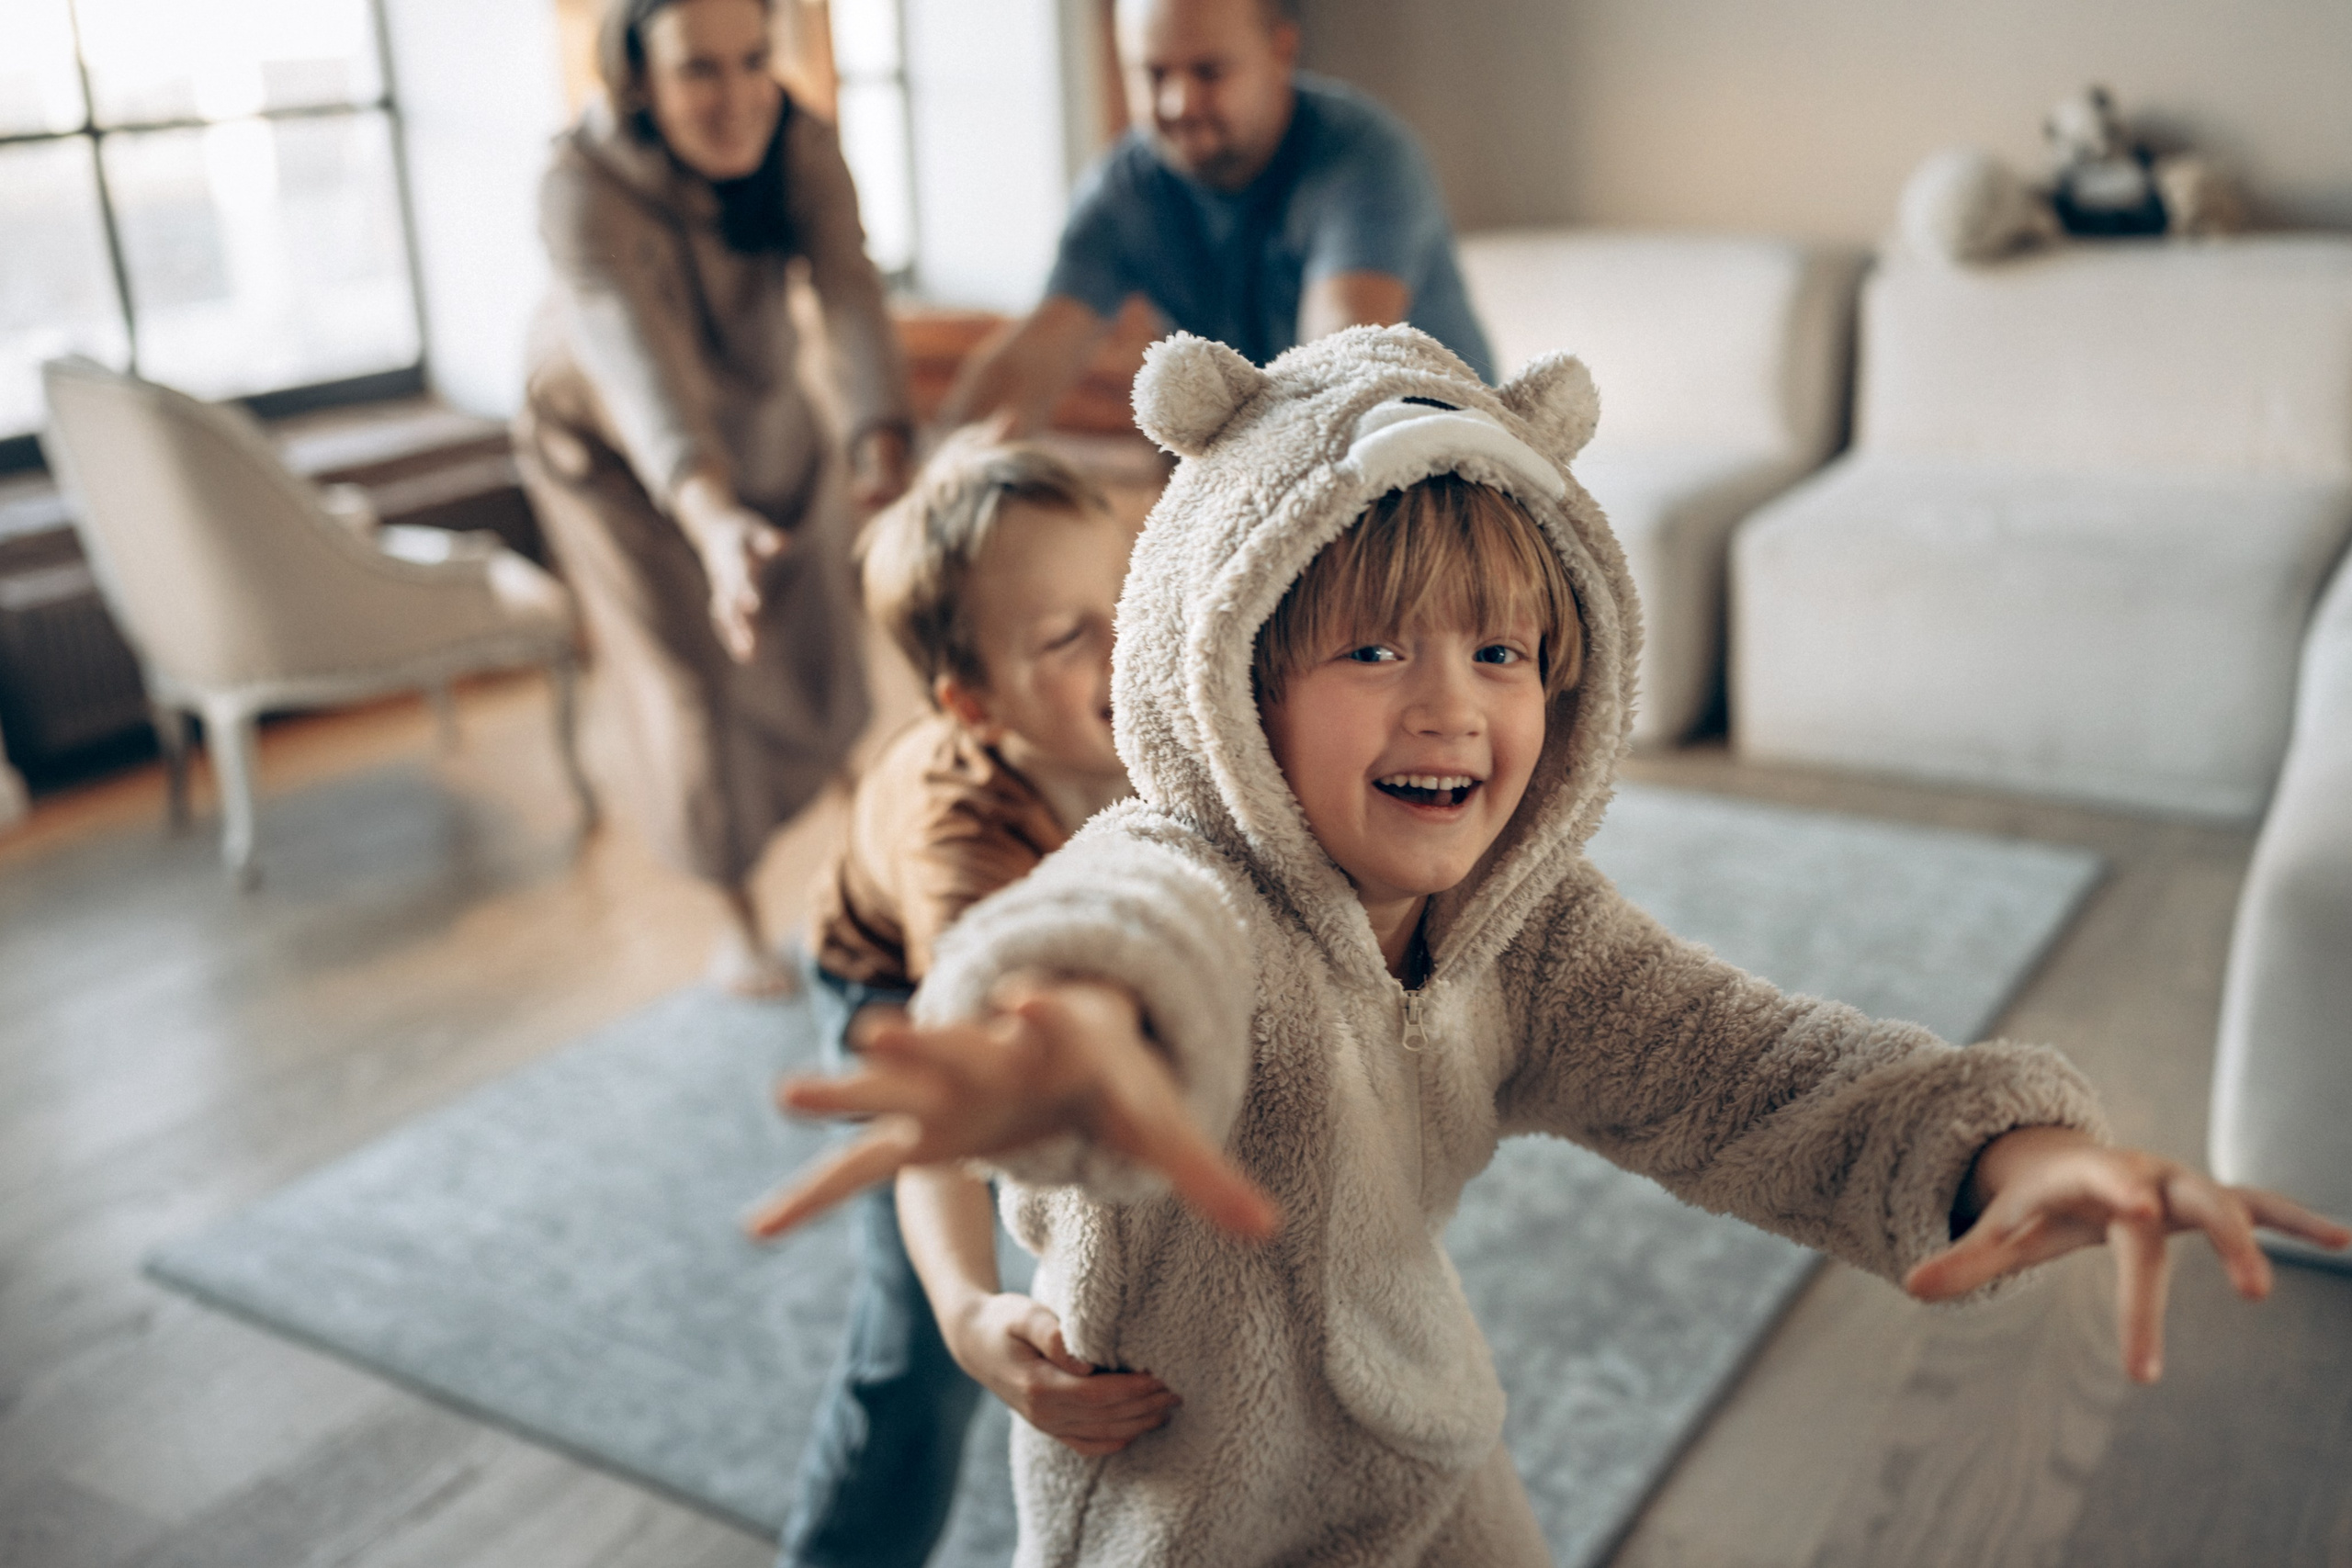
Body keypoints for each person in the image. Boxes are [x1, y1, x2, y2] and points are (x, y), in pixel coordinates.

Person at [752, 327, 2351, 1566]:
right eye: (1372, 647)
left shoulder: (1524, 931)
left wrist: (2011, 1149)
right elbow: (1116, 944)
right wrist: (1063, 1044)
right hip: (1193, 1519)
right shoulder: (1188, 875)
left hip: (1431, 1468)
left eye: (1502, 651)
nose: (1449, 702)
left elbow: (1754, 1074)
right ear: (1233, 676)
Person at [756, 431, 1151, 1568]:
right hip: (890, 982)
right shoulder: (957, 843)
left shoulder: (1149, 695)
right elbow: (947, 1114)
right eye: (1068, 636)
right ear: (971, 704)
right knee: (916, 1355)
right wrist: (971, 1313)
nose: (1126, 645)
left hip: (1077, 915)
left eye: (1123, 593)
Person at [515, 0, 914, 994]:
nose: (737, 100)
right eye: (700, 71)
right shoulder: (579, 186)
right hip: (618, 461)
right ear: (639, 79)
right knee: (695, 681)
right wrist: (711, 519)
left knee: (819, 627)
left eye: (753, 61)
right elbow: (632, 367)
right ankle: (736, 918)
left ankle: (876, 853)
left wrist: (878, 434)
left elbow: (850, 288)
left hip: (763, 407)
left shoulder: (796, 139)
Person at [944, 0, 1493, 435]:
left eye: (1208, 72)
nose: (1180, 102)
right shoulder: (1126, 186)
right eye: (1154, 74)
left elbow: (1337, 373)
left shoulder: (1364, 158)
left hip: (1445, 473)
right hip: (1280, 465)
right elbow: (1041, 345)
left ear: (1282, 49)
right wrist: (947, 468)